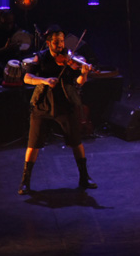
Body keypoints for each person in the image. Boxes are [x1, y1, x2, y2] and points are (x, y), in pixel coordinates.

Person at [18, 27, 96, 194]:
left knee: (76, 141)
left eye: (61, 41)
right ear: (49, 43)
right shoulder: (41, 57)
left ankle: (84, 177)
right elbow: (27, 78)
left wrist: (84, 74)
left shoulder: (70, 58)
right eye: (56, 42)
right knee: (33, 144)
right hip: (43, 103)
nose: (60, 45)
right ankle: (25, 181)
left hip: (65, 103)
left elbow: (79, 82)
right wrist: (45, 80)